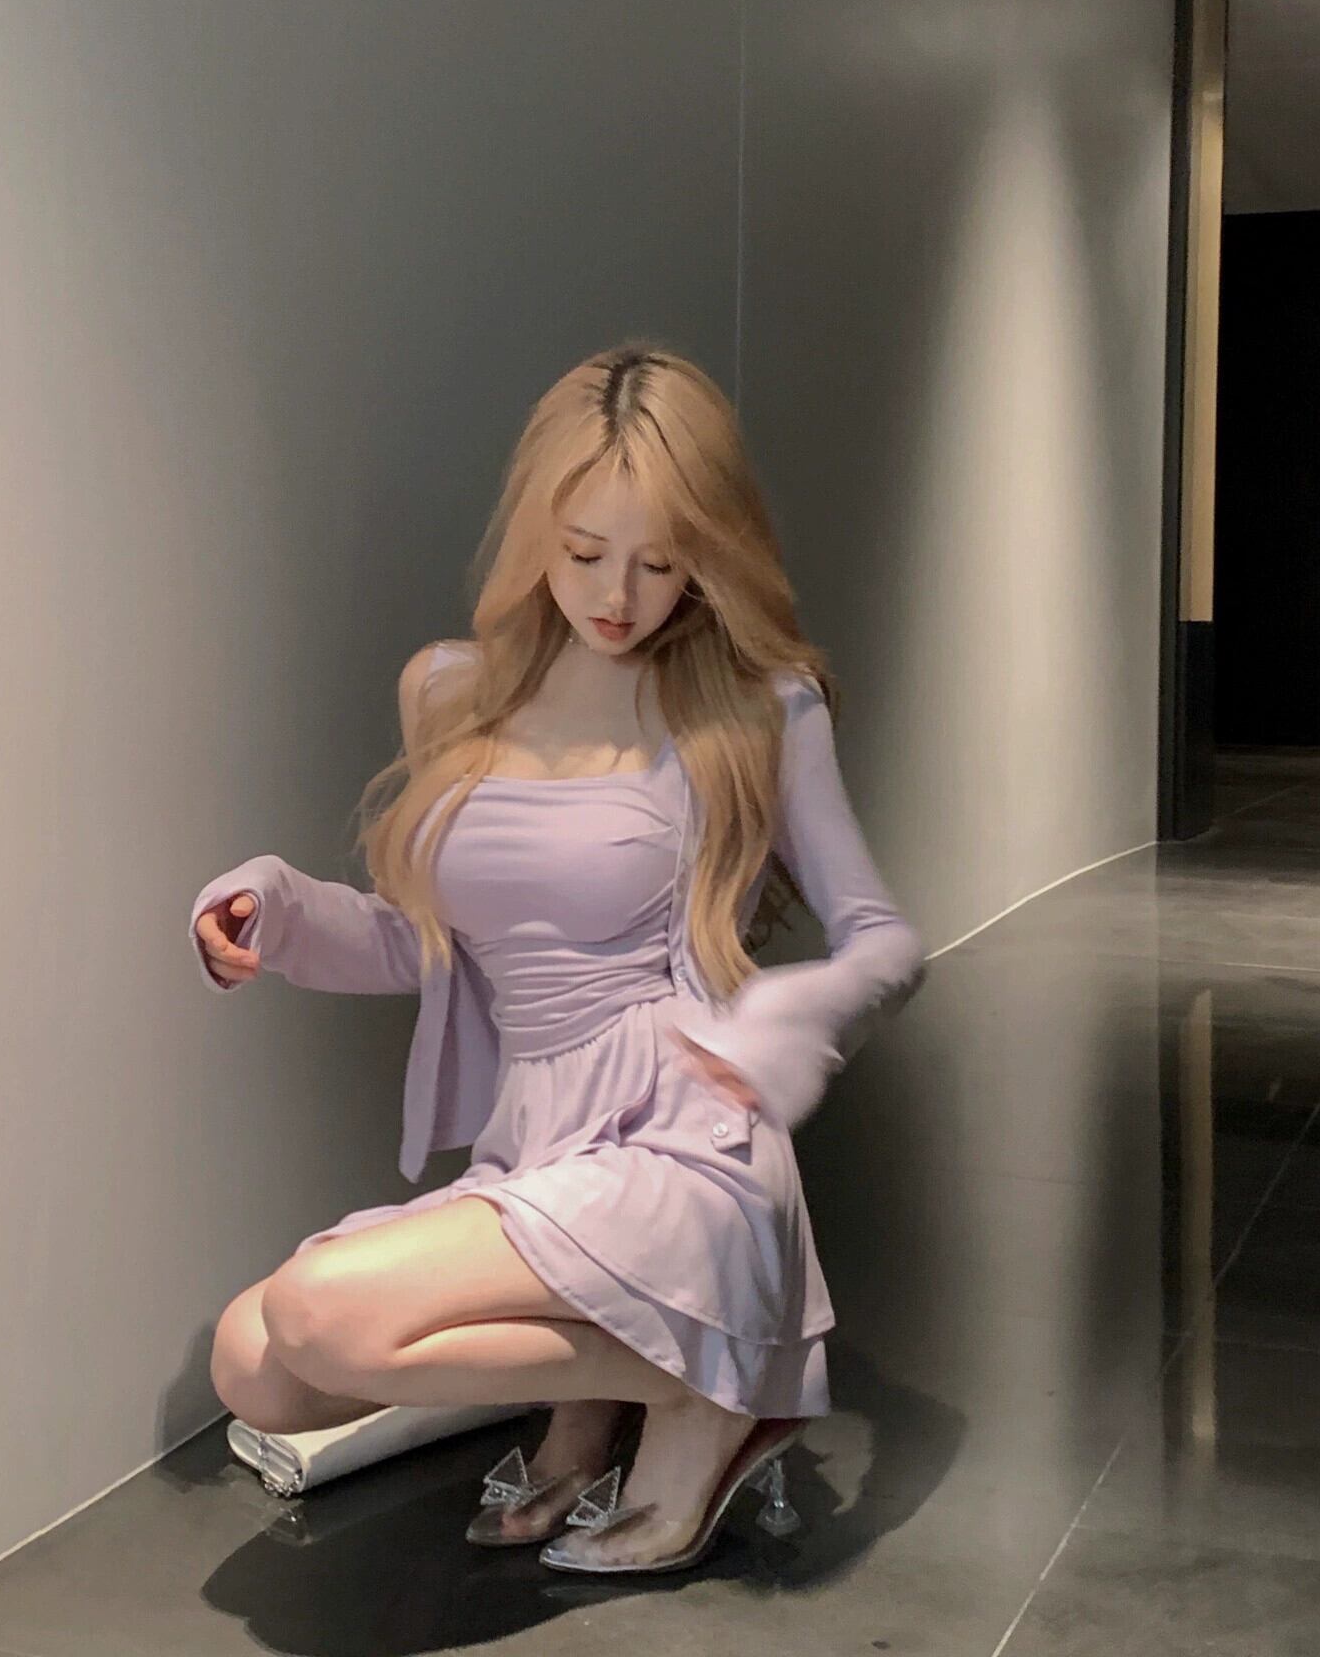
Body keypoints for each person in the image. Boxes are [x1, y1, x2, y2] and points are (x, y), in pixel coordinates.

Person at [188, 341, 926, 1576]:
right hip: (539, 1138)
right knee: (252, 1364)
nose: (619, 596)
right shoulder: (450, 692)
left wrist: (802, 1015)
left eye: (662, 561)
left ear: (707, 555)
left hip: (680, 1143)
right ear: (538, 529)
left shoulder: (756, 705)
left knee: (320, 1310)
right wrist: (278, 906)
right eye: (585, 553)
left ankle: (708, 1392)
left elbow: (886, 941)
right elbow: (424, 941)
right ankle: (683, 1379)